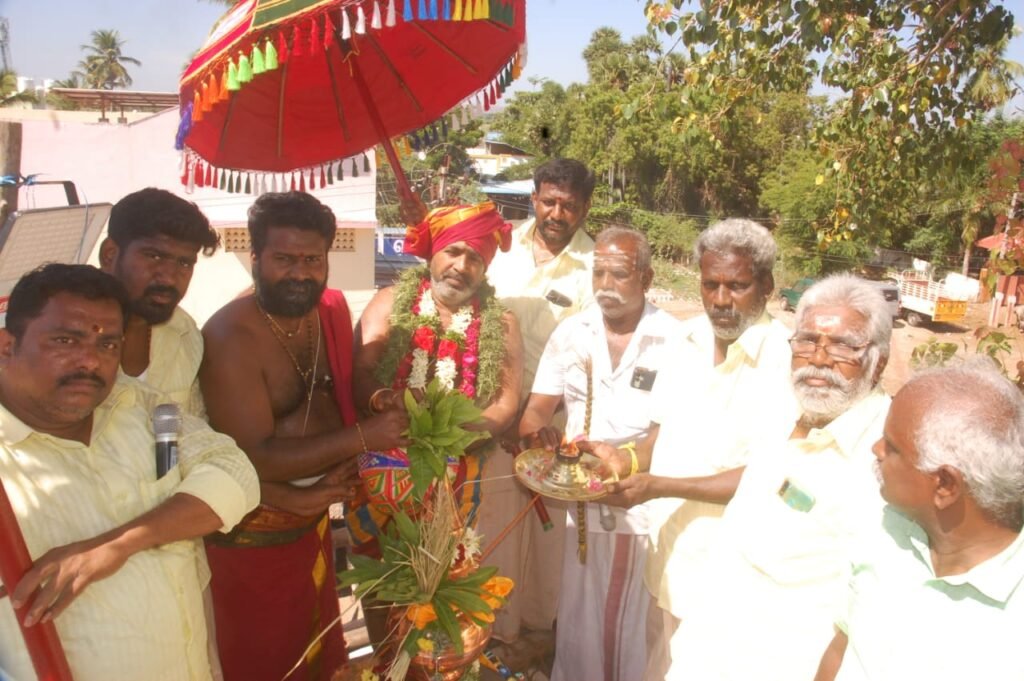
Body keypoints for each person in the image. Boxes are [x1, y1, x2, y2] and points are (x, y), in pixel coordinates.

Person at [0, 264, 259, 681]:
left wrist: (114, 547)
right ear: (6, 346)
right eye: (66, 340)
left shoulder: (143, 407)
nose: (90, 361)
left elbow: (236, 476)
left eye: (108, 345)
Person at [200, 192, 408, 681]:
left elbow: (340, 395)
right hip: (251, 541)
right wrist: (365, 437)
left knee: (319, 661)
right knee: (267, 666)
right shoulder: (231, 337)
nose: (300, 273)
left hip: (314, 528)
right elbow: (256, 459)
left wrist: (379, 403)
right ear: (255, 258)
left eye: (313, 260)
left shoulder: (329, 310)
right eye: (284, 259)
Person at [587, 218, 796, 679]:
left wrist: (656, 485)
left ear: (767, 285)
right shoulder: (688, 339)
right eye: (710, 285)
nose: (721, 301)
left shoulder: (785, 359)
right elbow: (662, 433)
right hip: (669, 562)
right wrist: (627, 459)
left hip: (731, 576)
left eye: (737, 286)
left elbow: (769, 476)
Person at [661, 274, 893, 680]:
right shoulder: (784, 411)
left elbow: (874, 611)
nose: (819, 359)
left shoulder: (885, 458)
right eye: (807, 341)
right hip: (704, 655)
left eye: (843, 346)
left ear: (879, 361)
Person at [349, 200, 523, 644]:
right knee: (384, 574)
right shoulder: (391, 301)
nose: (462, 267)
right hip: (381, 475)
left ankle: (437, 666)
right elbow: (363, 372)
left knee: (447, 580)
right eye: (454, 252)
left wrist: (448, 433)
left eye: (476, 259)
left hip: (458, 475)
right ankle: (387, 665)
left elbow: (506, 403)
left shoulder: (500, 322)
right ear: (433, 253)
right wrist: (388, 401)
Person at [518, 227, 684, 681]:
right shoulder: (572, 332)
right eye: (599, 273)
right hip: (581, 509)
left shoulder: (674, 340)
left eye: (619, 274)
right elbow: (536, 412)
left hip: (640, 506)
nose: (605, 285)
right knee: (580, 619)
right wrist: (540, 436)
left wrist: (617, 462)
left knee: (634, 630)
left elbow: (670, 434)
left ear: (647, 278)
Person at [815, 361, 1024, 681]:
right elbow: (842, 647)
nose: (876, 449)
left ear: (944, 485)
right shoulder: (887, 531)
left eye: (893, 447)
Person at [479, 158, 597, 642]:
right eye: (549, 201)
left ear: (585, 208)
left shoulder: (594, 268)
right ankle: (491, 638)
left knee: (549, 542)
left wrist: (530, 418)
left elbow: (586, 352)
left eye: (569, 206)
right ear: (533, 198)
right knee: (493, 529)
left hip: (554, 424)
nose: (557, 213)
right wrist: (502, 417)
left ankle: (537, 637)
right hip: (489, 420)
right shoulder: (498, 250)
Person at [99, 187, 220, 416]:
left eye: (184, 263)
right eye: (154, 256)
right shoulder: (61, 329)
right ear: (110, 254)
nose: (169, 277)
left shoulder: (184, 333)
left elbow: (195, 432)